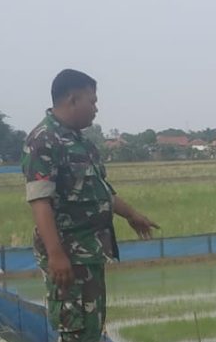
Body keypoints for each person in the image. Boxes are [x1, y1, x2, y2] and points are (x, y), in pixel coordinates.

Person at [23, 69, 159, 342]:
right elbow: (40, 201)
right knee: (74, 332)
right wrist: (56, 255)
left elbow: (100, 193)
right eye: (92, 101)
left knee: (90, 330)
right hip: (69, 257)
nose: (96, 108)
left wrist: (132, 214)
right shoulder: (44, 140)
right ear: (73, 100)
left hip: (91, 253)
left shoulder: (80, 142)